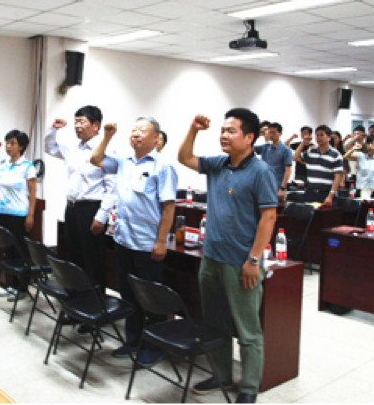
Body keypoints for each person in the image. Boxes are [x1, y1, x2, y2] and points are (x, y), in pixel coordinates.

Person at [178, 109, 277, 404]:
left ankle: (249, 387)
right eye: (222, 130)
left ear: (249, 137)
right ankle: (221, 375)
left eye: (231, 131)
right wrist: (194, 130)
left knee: (247, 328)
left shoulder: (261, 171)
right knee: (215, 323)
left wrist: (254, 260)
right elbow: (184, 157)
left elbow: (268, 217)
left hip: (241, 262)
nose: (224, 135)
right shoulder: (218, 164)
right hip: (212, 258)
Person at [90, 116, 178, 368]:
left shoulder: (163, 166)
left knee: (151, 298)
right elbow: (95, 159)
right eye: (134, 129)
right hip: (123, 239)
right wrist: (107, 137)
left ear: (156, 138)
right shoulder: (123, 160)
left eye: (143, 130)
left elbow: (168, 207)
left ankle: (155, 346)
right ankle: (133, 340)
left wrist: (161, 242)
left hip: (146, 243)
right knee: (128, 294)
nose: (136, 133)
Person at [44, 106, 116, 326]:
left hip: (92, 210)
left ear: (96, 125)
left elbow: (112, 187)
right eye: (76, 121)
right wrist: (53, 129)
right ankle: (75, 310)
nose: (77, 126)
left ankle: (94, 314)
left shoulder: (106, 150)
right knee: (73, 261)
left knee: (92, 263)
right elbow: (49, 147)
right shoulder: (72, 148)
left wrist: (101, 216)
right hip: (73, 209)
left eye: (82, 121)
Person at [0, 130, 37, 300]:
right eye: (7, 143)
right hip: (3, 212)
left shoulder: (27, 166)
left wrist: (30, 215)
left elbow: (32, 192)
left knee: (20, 252)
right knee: (8, 250)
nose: (8, 146)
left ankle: (22, 288)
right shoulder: (4, 164)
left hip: (20, 214)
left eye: (12, 143)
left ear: (21, 147)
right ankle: (11, 285)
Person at [293, 124, 343, 206]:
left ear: (329, 137)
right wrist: (303, 143)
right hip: (311, 192)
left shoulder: (336, 154)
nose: (319, 138)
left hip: (326, 193)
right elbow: (295, 158)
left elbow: (338, 177)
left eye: (322, 135)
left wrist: (331, 195)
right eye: (317, 135)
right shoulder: (311, 152)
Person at [254, 122, 292, 200]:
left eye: (274, 133)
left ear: (280, 134)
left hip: (277, 186)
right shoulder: (265, 147)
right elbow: (249, 147)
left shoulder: (285, 150)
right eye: (270, 132)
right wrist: (259, 134)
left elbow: (288, 170)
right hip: (263, 185)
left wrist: (282, 188)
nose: (271, 135)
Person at [344, 135, 374, 199]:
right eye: (368, 144)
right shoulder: (361, 156)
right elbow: (345, 157)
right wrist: (353, 149)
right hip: (361, 188)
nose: (370, 146)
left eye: (372, 143)